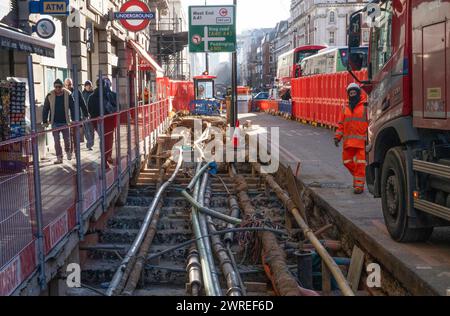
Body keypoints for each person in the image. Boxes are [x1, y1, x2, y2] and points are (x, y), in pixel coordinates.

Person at [334, 83, 368, 194]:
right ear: (348, 94)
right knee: (346, 162)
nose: (352, 94)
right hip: (348, 142)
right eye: (350, 93)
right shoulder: (345, 108)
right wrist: (337, 137)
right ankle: (360, 175)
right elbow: (341, 124)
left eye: (354, 92)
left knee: (360, 164)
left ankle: (359, 187)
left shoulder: (365, 106)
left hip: (361, 142)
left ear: (358, 93)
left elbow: (370, 123)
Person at [42, 79, 75, 164]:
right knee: (56, 141)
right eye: (56, 87)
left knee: (67, 140)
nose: (57, 89)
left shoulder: (68, 94)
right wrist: (44, 121)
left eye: (59, 87)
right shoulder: (50, 95)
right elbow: (45, 108)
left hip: (65, 121)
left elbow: (73, 107)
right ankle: (59, 157)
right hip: (55, 122)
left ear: (62, 87)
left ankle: (68, 151)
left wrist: (74, 119)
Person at [88, 77, 118, 169]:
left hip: (97, 121)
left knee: (103, 140)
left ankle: (105, 159)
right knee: (108, 139)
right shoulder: (110, 94)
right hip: (108, 121)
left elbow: (90, 110)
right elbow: (116, 107)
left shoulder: (92, 96)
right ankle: (106, 158)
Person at [81, 80, 95, 150]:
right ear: (85, 86)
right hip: (85, 115)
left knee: (92, 130)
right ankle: (89, 144)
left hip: (92, 115)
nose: (89, 87)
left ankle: (91, 143)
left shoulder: (93, 93)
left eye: (90, 85)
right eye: (88, 86)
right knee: (87, 130)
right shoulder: (82, 94)